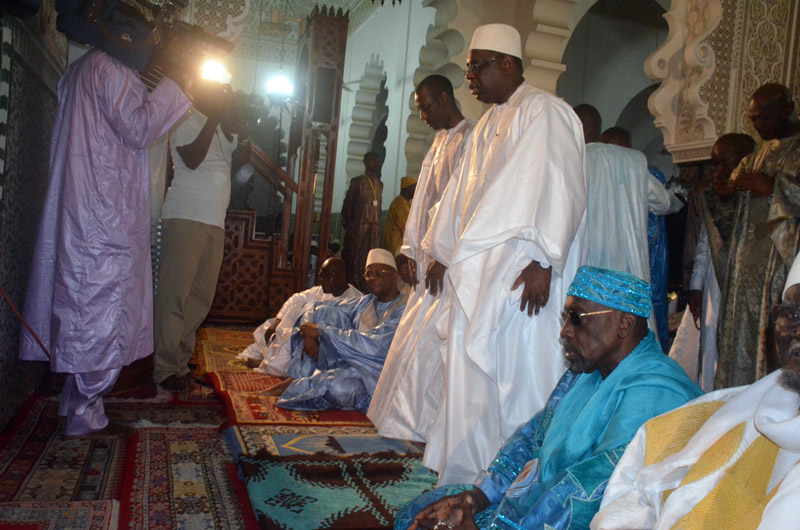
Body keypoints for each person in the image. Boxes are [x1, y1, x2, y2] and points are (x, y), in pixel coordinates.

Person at [395, 267, 702, 530]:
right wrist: (481, 497)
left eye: (577, 318)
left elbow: (592, 496)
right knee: (418, 513)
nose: (564, 331)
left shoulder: (655, 393)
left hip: (588, 519)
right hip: (538, 504)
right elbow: (532, 438)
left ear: (624, 324)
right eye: (564, 317)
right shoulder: (588, 371)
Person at [419, 24, 587, 485]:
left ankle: (522, 478)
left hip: (523, 268)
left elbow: (561, 189)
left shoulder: (545, 112)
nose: (469, 76)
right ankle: (472, 470)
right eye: (469, 66)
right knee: (473, 369)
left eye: (478, 66)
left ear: (508, 64)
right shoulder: (490, 121)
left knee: (521, 371)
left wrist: (545, 261)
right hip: (479, 268)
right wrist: (443, 249)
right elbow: (460, 194)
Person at [18, 48, 193, 438]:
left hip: (85, 206)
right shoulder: (112, 67)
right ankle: (85, 413)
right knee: (102, 309)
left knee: (81, 304)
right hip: (104, 212)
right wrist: (176, 82)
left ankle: (73, 402)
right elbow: (139, 128)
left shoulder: (80, 66)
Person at [592, 252, 800, 530]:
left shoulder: (654, 389)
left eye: (577, 318)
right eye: (792, 314)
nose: (797, 332)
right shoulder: (749, 409)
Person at [368, 74, 475, 442]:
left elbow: (464, 206)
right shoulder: (439, 141)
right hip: (428, 255)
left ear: (445, 98)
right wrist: (409, 251)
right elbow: (423, 204)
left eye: (426, 107)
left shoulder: (470, 138)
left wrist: (444, 253)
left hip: (451, 259)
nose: (424, 116)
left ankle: (426, 427)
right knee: (413, 339)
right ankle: (401, 420)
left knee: (436, 344)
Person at [152, 81, 250, 391]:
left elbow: (241, 169)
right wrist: (214, 117)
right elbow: (191, 158)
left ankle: (180, 363)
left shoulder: (222, 129)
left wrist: (240, 125)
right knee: (174, 295)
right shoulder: (184, 117)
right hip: (184, 217)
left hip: (214, 223)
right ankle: (163, 367)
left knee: (200, 299)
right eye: (218, 94)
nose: (223, 99)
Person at [715, 83, 800, 388]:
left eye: (764, 118)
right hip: (746, 268)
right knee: (741, 339)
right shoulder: (755, 155)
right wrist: (725, 198)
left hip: (782, 268)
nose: (758, 126)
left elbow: (775, 192)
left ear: (788, 108)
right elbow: (733, 218)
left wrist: (775, 189)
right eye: (753, 120)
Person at [575, 106, 682, 312]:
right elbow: (664, 203)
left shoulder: (570, 161)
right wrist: (679, 202)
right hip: (627, 266)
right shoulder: (633, 161)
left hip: (586, 265)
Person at [274, 249, 408, 412]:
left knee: (338, 389)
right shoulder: (366, 302)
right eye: (369, 274)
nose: (372, 278)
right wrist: (310, 335)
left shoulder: (403, 309)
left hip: (377, 376)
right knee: (328, 313)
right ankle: (295, 378)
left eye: (380, 273)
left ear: (395, 276)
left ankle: (307, 384)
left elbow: (373, 346)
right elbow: (313, 307)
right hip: (351, 364)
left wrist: (321, 331)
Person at [669, 133, 755, 391]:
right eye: (716, 164)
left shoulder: (758, 192)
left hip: (747, 286)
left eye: (726, 162)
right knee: (710, 349)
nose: (721, 170)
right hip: (713, 287)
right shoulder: (712, 193)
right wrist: (695, 286)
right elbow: (704, 244)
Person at [239, 257, 361, 375]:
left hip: (329, 343)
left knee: (293, 340)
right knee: (279, 324)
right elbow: (295, 299)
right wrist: (277, 322)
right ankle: (269, 358)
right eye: (321, 276)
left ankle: (270, 364)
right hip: (308, 333)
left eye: (328, 276)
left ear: (342, 276)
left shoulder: (355, 299)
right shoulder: (319, 290)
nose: (323, 280)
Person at [342, 151, 384, 291]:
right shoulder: (358, 182)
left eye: (378, 162)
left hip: (374, 231)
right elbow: (347, 207)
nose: (376, 164)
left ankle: (368, 288)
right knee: (355, 262)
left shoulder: (379, 184)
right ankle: (354, 289)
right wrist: (351, 229)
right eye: (373, 161)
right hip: (358, 231)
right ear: (366, 162)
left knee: (371, 260)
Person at [382, 176, 417, 257]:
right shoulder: (400, 204)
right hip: (396, 248)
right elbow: (406, 229)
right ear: (407, 189)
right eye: (414, 188)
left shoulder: (403, 202)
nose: (416, 190)